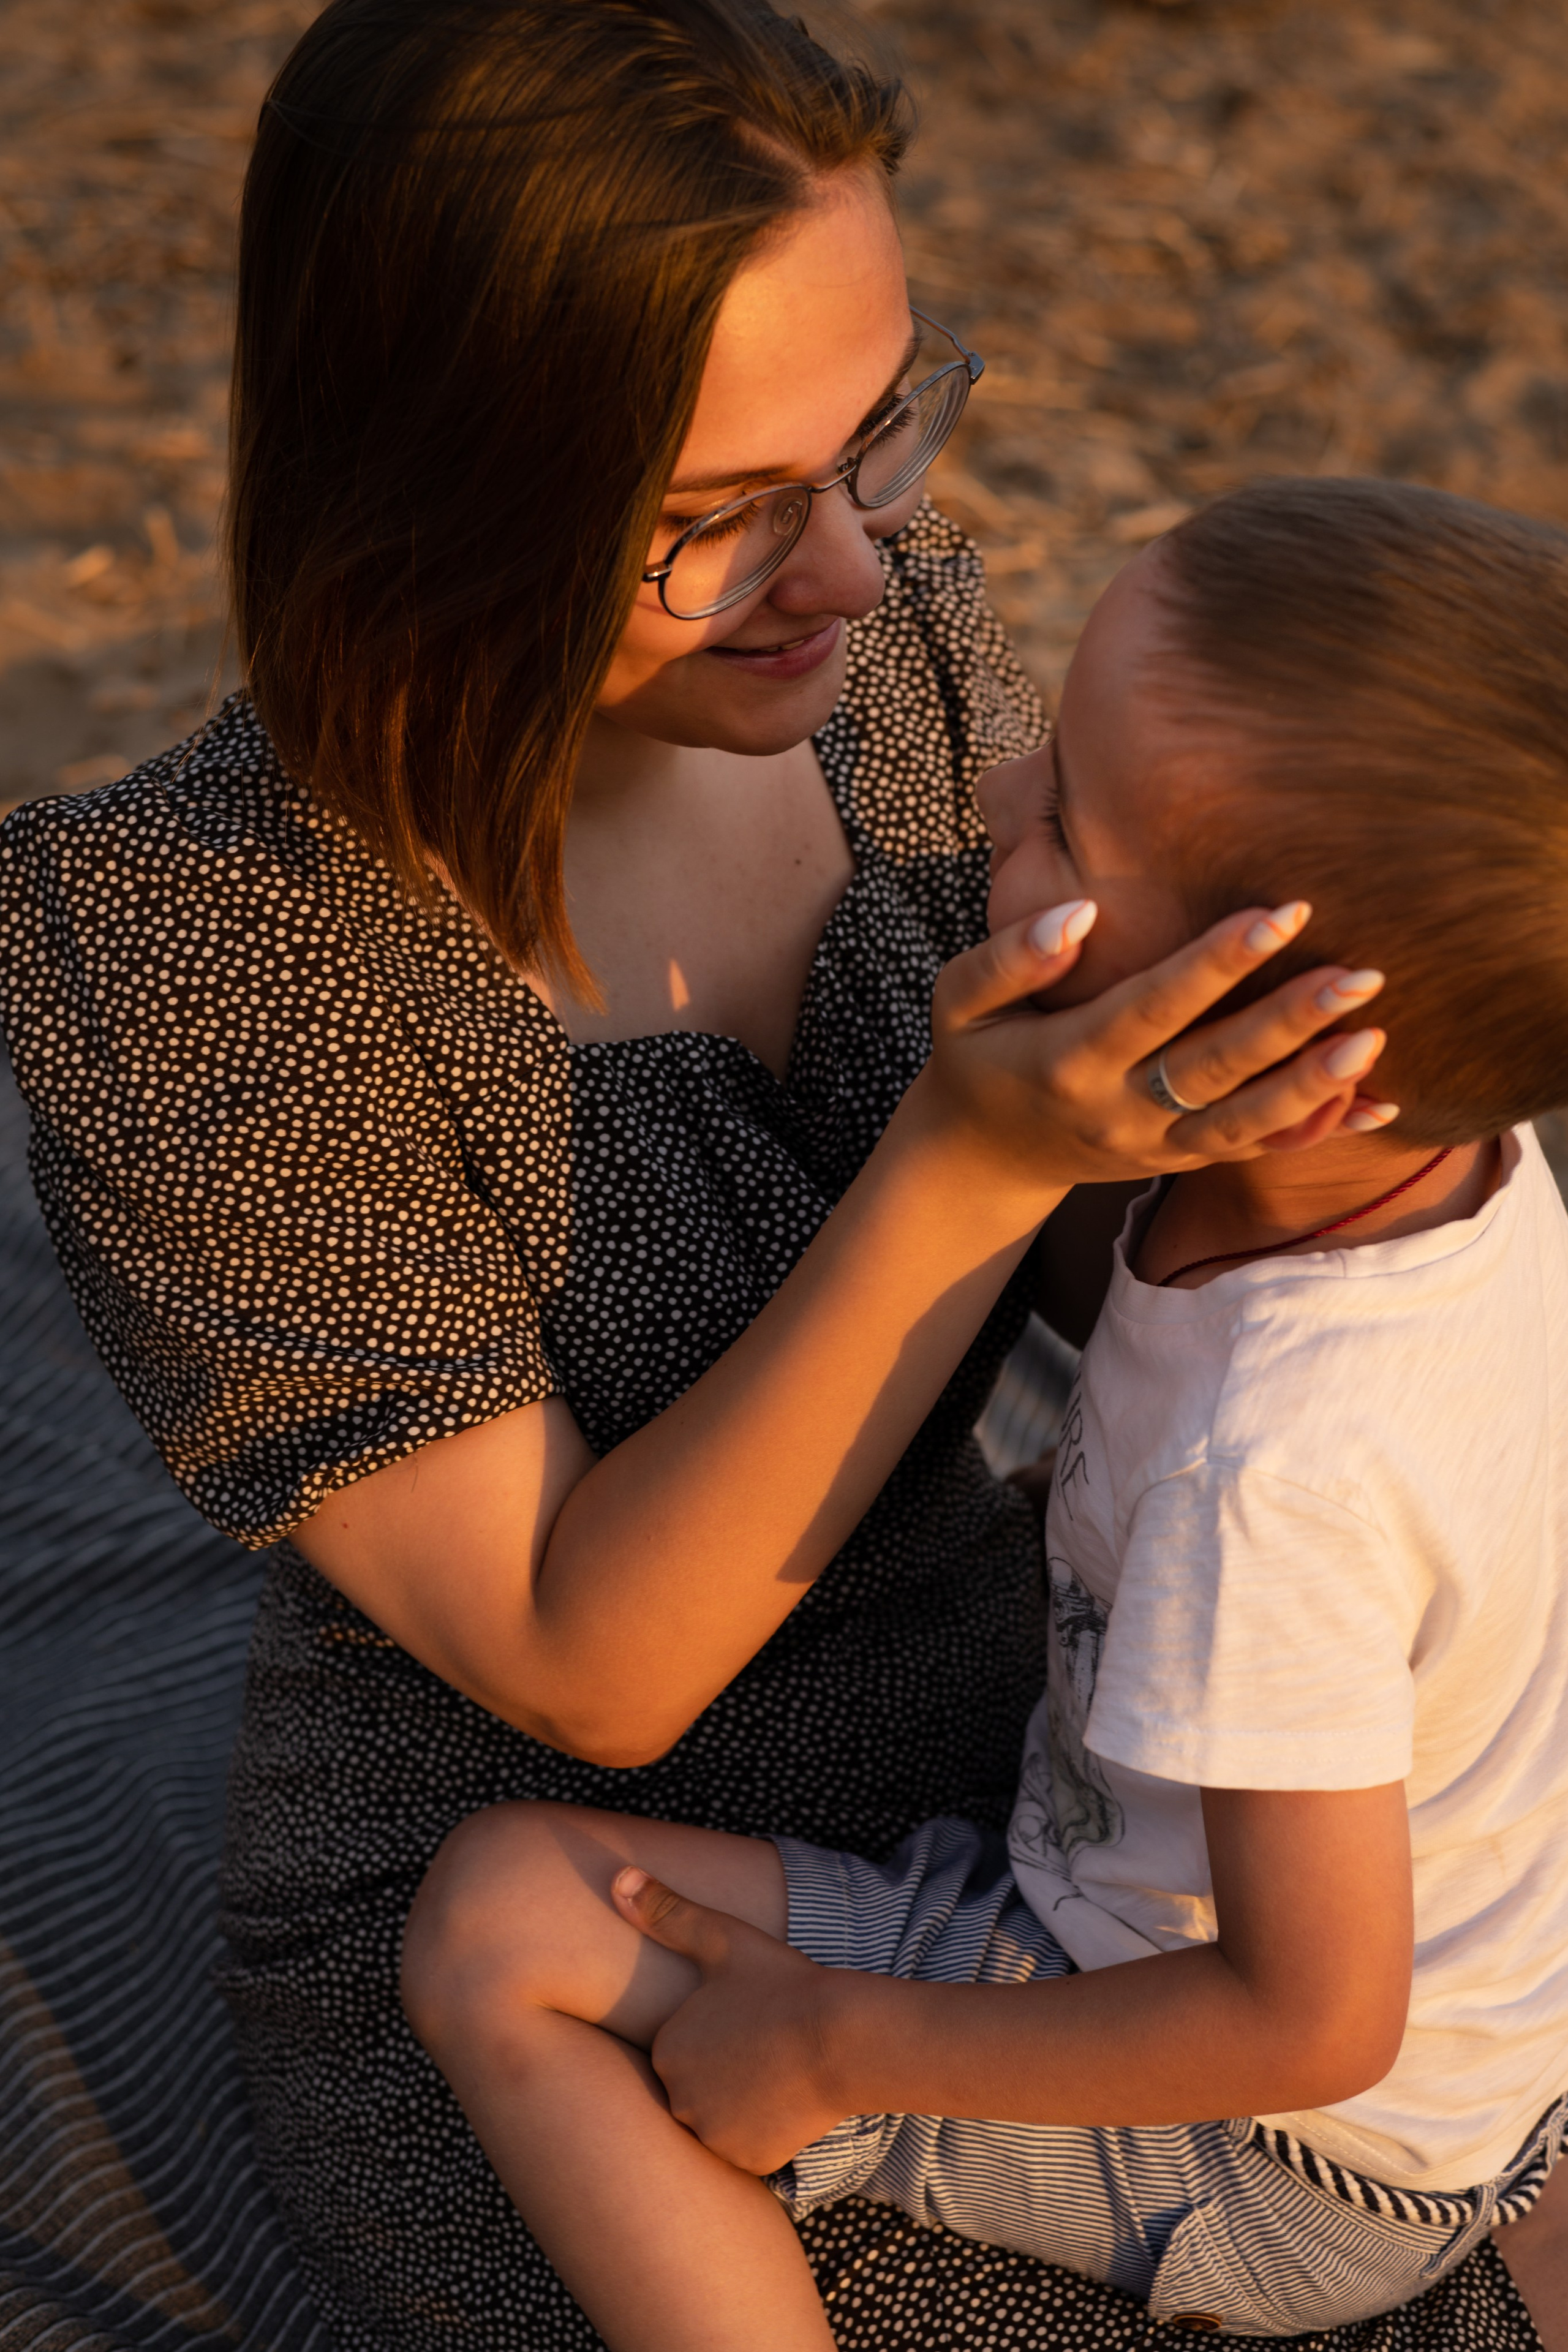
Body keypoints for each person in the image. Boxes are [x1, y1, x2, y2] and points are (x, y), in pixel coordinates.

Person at [0, 2, 1465, 2345]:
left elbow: (1141, 1272)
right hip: (565, 1958)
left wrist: (1279, 1153)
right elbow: (583, 1667)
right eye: (719, 516)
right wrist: (964, 1166)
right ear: (428, 483)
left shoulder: (882, 668)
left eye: (875, 432)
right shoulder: (193, 940)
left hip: (1049, 1781)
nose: (855, 568)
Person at [398, 478, 1568, 2344]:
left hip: (1279, 2153)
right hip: (1474, 2044)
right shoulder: (1460, 1167)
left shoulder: (1278, 1474)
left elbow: (1307, 2016)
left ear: (1297, 1053)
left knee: (504, 1922)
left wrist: (841, 2041)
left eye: (1069, 820)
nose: (1000, 791)